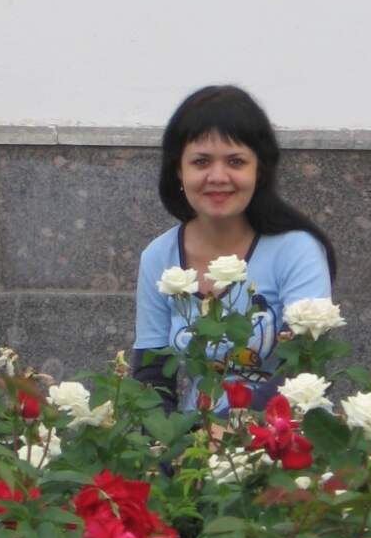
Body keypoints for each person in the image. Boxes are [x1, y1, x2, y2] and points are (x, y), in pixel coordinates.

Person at [133, 84, 337, 413]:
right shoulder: (159, 257)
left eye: (236, 161)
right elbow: (150, 376)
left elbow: (303, 365)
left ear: (259, 169)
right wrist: (169, 437)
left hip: (286, 432)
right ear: (179, 170)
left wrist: (232, 429)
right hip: (195, 437)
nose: (218, 176)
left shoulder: (297, 250)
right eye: (201, 161)